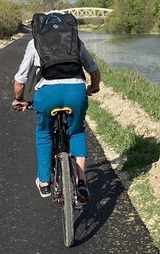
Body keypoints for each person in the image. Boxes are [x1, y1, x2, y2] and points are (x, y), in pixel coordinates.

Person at [12, 20, 101, 202]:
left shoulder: (34, 42)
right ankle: (81, 181)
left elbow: (20, 81)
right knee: (76, 131)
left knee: (44, 133)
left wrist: (20, 99)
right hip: (75, 92)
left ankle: (44, 182)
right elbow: (93, 69)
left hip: (47, 94)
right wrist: (93, 87)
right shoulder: (74, 40)